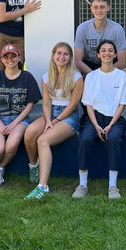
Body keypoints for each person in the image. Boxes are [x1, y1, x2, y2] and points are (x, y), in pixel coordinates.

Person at [0, 44, 42, 189]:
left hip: (19, 119)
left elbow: (30, 104)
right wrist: (0, 124)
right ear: (2, 60)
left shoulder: (27, 77)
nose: (10, 59)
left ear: (19, 57)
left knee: (11, 145)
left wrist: (13, 124)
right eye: (6, 57)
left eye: (13, 56)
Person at [72, 40, 126, 199]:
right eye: (103, 50)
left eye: (110, 50)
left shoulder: (122, 76)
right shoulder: (91, 77)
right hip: (94, 119)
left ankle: (113, 186)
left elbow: (122, 104)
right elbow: (89, 105)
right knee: (85, 139)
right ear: (98, 55)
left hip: (115, 118)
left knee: (113, 138)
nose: (107, 53)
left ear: (115, 54)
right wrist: (96, 125)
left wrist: (111, 124)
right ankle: (82, 184)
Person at [23, 42, 83, 199]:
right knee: (30, 132)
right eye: (59, 53)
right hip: (50, 113)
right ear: (53, 55)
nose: (61, 57)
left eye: (65, 54)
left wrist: (55, 122)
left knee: (42, 140)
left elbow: (73, 104)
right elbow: (47, 102)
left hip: (68, 117)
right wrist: (48, 119)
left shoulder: (76, 77)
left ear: (70, 58)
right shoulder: (46, 77)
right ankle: (34, 164)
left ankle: (43, 186)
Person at [74, 0, 126, 76]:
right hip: (89, 64)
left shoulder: (117, 29)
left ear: (108, 8)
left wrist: (104, 73)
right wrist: (94, 75)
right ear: (91, 9)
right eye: (95, 7)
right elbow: (77, 61)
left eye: (102, 7)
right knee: (75, 73)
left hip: (110, 64)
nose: (99, 10)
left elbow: (122, 62)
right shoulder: (82, 28)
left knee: (125, 72)